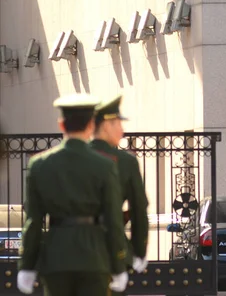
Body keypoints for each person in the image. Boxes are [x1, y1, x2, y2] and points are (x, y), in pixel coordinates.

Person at [17, 93, 129, 296]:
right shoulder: (104, 165)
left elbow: (33, 220)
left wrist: (26, 265)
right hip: (94, 257)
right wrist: (119, 263)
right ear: (90, 126)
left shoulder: (40, 165)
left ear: (61, 125)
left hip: (56, 256)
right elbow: (113, 219)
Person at [90, 94, 149, 288]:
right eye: (118, 124)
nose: (122, 130)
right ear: (106, 125)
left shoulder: (65, 159)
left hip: (65, 253)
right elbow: (139, 208)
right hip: (110, 249)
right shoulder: (124, 161)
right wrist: (138, 251)